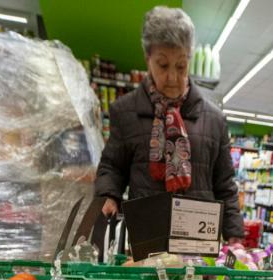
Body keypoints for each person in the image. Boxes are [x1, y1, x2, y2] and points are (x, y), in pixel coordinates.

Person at [94, 6, 244, 242]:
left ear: (189, 59)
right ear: (148, 59)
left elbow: (225, 183)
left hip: (198, 241)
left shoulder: (214, 119)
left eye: (181, 66)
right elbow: (112, 167)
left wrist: (235, 235)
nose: (173, 77)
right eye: (163, 65)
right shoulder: (125, 112)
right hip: (146, 237)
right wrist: (108, 196)